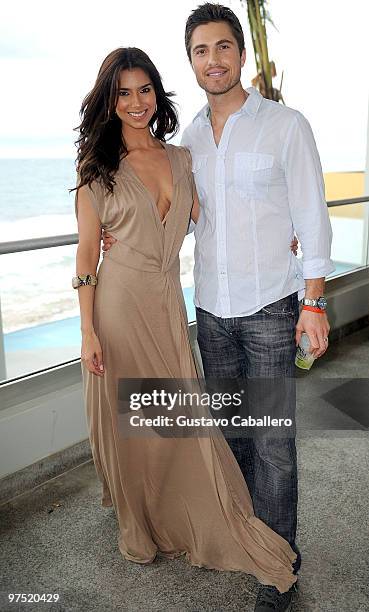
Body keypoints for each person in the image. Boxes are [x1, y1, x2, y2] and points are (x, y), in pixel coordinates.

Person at [102, 4, 335, 611]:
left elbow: (313, 216)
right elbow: (175, 216)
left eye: (224, 47)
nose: (214, 60)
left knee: (273, 443)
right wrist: (114, 235)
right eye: (202, 51)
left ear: (241, 54)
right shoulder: (188, 143)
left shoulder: (286, 126)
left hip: (271, 306)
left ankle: (279, 564)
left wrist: (314, 302)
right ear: (191, 61)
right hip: (210, 310)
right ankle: (245, 538)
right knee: (231, 438)